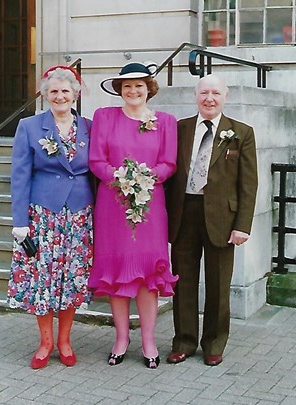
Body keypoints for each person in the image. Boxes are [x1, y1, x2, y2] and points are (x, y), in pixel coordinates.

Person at [88, 62, 178, 369]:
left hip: (150, 207)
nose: (133, 91)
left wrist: (147, 177)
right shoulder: (105, 117)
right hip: (112, 206)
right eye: (127, 86)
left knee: (147, 275)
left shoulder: (165, 121)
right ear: (119, 90)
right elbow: (96, 160)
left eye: (139, 85)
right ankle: (121, 338)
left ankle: (149, 340)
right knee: (117, 274)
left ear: (149, 88)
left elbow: (169, 163)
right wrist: (120, 177)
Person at [166, 74, 258, 366]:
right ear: (196, 96)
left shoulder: (241, 132)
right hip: (184, 213)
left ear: (225, 97)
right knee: (183, 282)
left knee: (219, 284)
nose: (209, 98)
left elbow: (248, 183)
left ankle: (214, 343)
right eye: (204, 92)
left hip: (222, 218)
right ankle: (184, 341)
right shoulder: (179, 129)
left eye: (215, 93)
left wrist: (242, 225)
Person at [7, 65, 94, 369]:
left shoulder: (88, 126)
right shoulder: (29, 127)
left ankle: (65, 341)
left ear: (75, 94)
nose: (59, 96)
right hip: (43, 215)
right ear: (45, 94)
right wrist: (20, 222)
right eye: (54, 91)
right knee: (42, 279)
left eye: (65, 91)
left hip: (79, 217)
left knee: (71, 278)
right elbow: (19, 176)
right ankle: (45, 343)